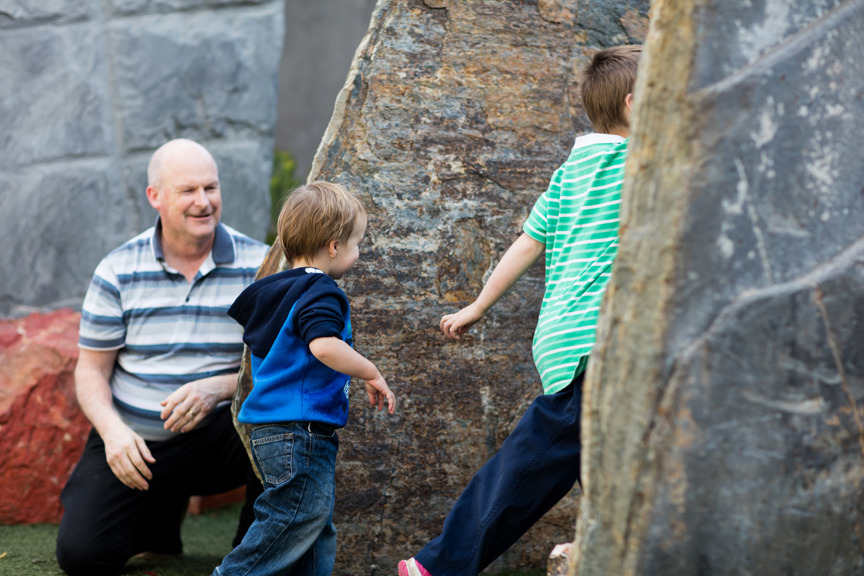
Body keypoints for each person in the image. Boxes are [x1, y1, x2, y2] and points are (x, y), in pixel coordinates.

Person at [398, 44, 642, 576]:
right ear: (633, 105)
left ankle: (609, 552)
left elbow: (528, 244)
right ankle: (436, 565)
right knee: (533, 463)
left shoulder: (570, 172)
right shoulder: (637, 164)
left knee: (595, 456)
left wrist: (479, 306)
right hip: (593, 344)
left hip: (561, 338)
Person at [56, 138, 270, 576]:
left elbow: (282, 365)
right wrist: (113, 434)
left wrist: (217, 388)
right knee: (82, 556)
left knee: (280, 420)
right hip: (137, 443)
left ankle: (254, 550)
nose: (203, 202)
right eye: (187, 191)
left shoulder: (260, 266)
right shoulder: (117, 269)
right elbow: (92, 371)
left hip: (222, 438)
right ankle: (159, 522)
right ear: (155, 196)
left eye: (210, 188)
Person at [211, 181, 397, 576]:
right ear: (333, 246)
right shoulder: (321, 291)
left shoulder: (276, 290)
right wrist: (370, 370)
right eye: (357, 243)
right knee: (293, 518)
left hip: (271, 429)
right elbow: (324, 346)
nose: (358, 252)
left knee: (315, 524)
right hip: (300, 429)